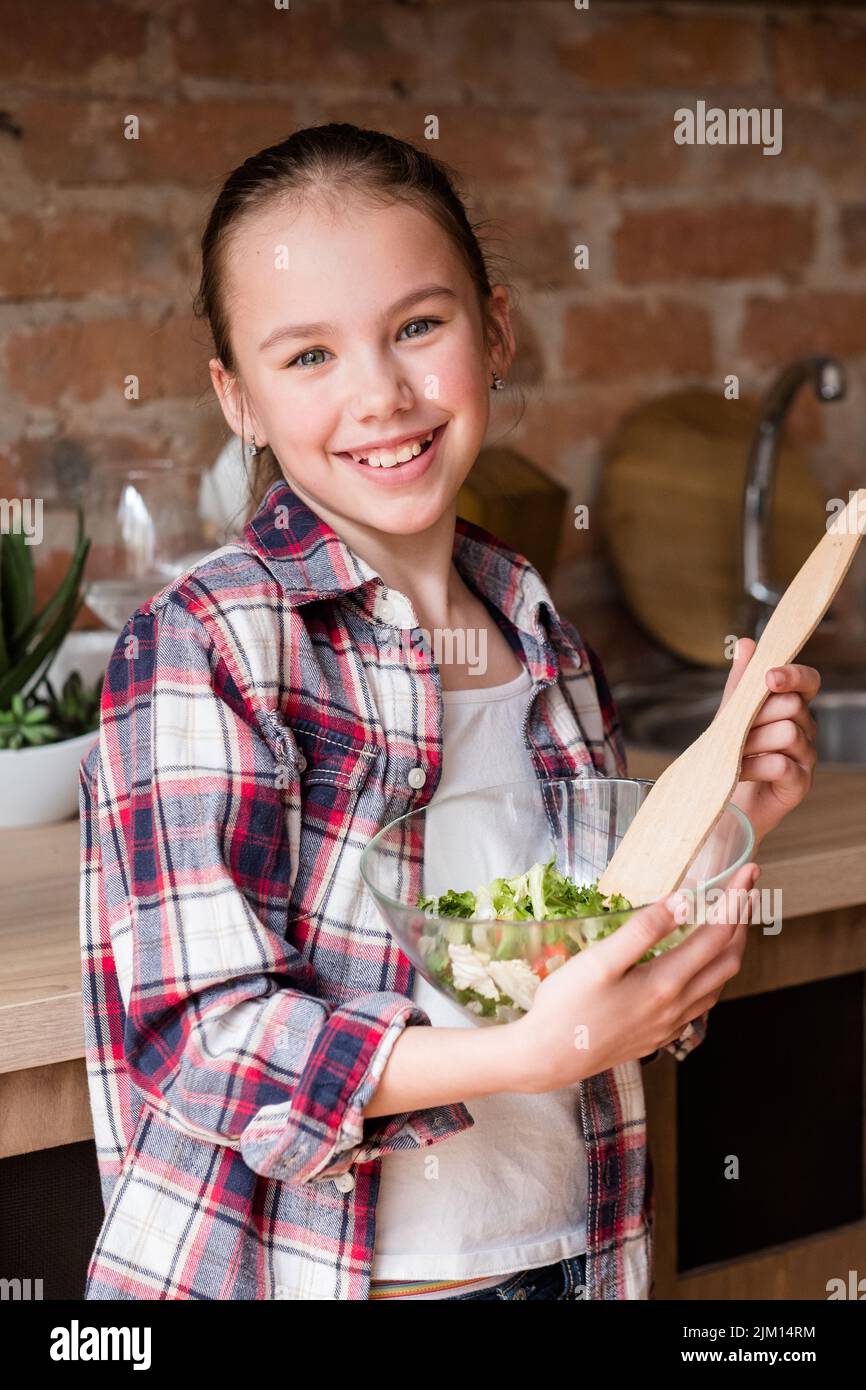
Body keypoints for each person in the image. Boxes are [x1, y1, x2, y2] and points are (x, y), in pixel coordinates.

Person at [78, 123, 820, 1301]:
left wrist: (723, 819)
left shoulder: (544, 638)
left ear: (496, 329)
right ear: (238, 399)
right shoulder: (206, 645)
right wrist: (532, 1052)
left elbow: (578, 957)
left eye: (418, 327)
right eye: (308, 355)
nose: (380, 392)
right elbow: (206, 1041)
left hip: (566, 1261)